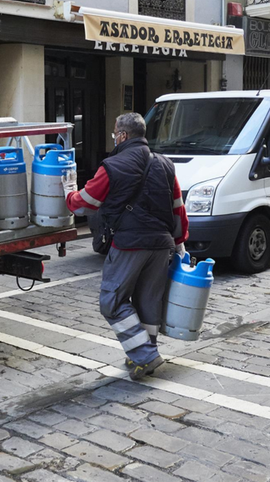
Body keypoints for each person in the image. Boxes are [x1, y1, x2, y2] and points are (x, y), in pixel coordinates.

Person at [63, 112, 189, 380]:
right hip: (161, 245)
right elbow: (178, 208)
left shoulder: (112, 165)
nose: (114, 138)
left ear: (122, 135)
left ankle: (145, 355)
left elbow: (85, 203)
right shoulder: (166, 164)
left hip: (130, 243)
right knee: (148, 301)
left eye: (114, 134)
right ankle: (141, 357)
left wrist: (69, 192)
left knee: (112, 300)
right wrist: (179, 243)